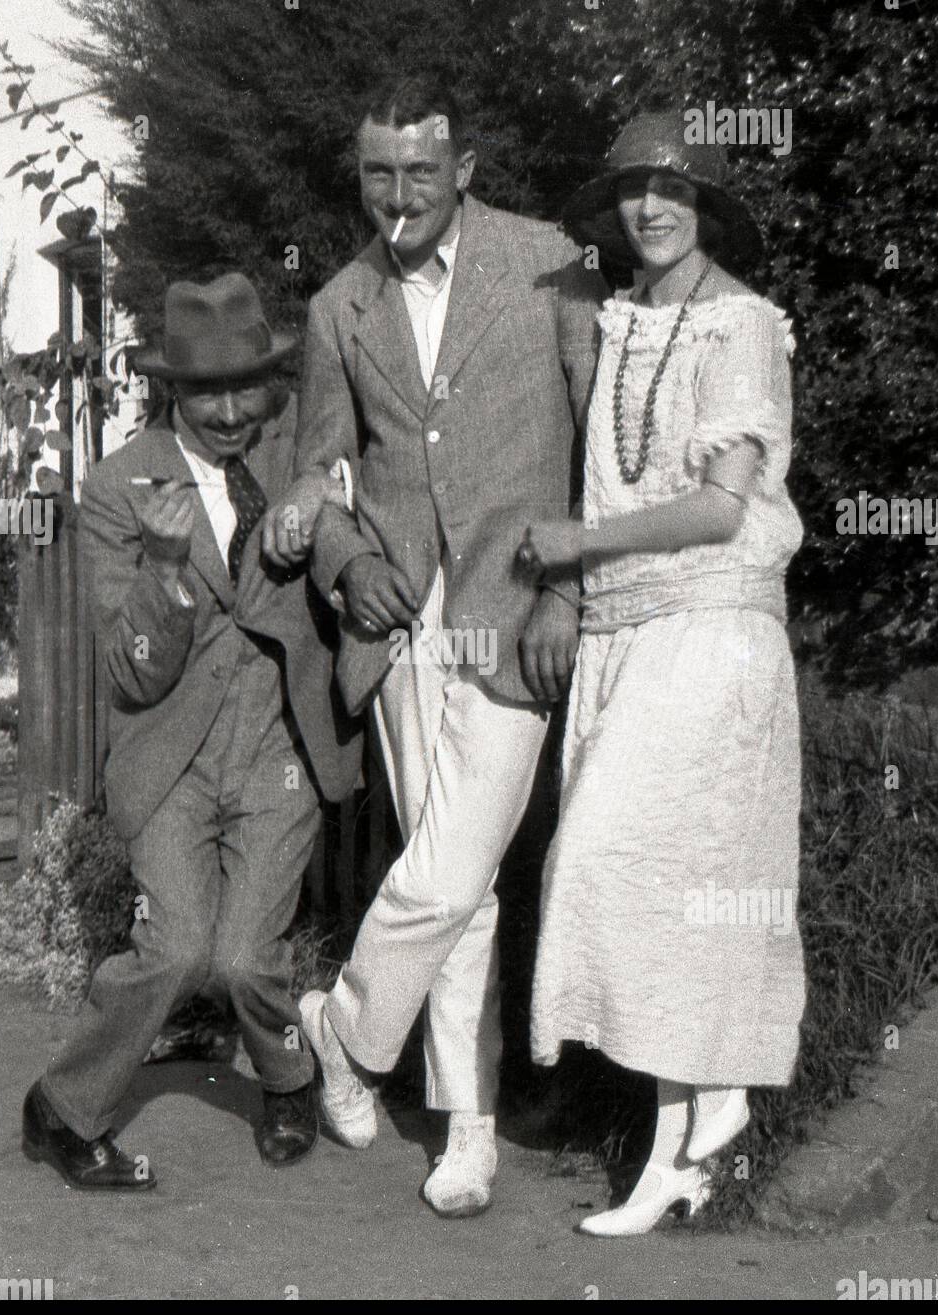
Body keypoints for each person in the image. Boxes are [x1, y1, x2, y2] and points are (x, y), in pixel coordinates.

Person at [262, 74, 605, 1217]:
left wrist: (572, 588)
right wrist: (349, 563)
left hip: (511, 611)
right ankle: (469, 1126)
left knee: (452, 864)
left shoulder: (551, 263)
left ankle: (343, 1027)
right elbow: (318, 473)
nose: (398, 195)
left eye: (420, 171)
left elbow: (600, 443)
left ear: (464, 170)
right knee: (455, 884)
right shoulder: (336, 309)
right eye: (377, 173)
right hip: (401, 619)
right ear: (357, 176)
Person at [518, 108, 807, 1235]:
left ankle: (712, 1110)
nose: (650, 206)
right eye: (635, 188)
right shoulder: (624, 319)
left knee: (608, 853)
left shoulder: (740, 326)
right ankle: (682, 1142)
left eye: (673, 190)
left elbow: (720, 505)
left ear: (706, 206)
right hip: (628, 635)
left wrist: (577, 546)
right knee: (651, 895)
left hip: (712, 630)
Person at [22, 272, 361, 1189]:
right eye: (204, 390)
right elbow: (131, 668)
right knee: (175, 952)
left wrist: (321, 504)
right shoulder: (117, 485)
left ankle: (287, 1075)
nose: (227, 410)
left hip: (279, 747)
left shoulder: (298, 449)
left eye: (245, 385)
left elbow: (353, 484)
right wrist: (166, 573)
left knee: (250, 960)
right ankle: (62, 1108)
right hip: (169, 752)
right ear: (171, 387)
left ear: (271, 384)